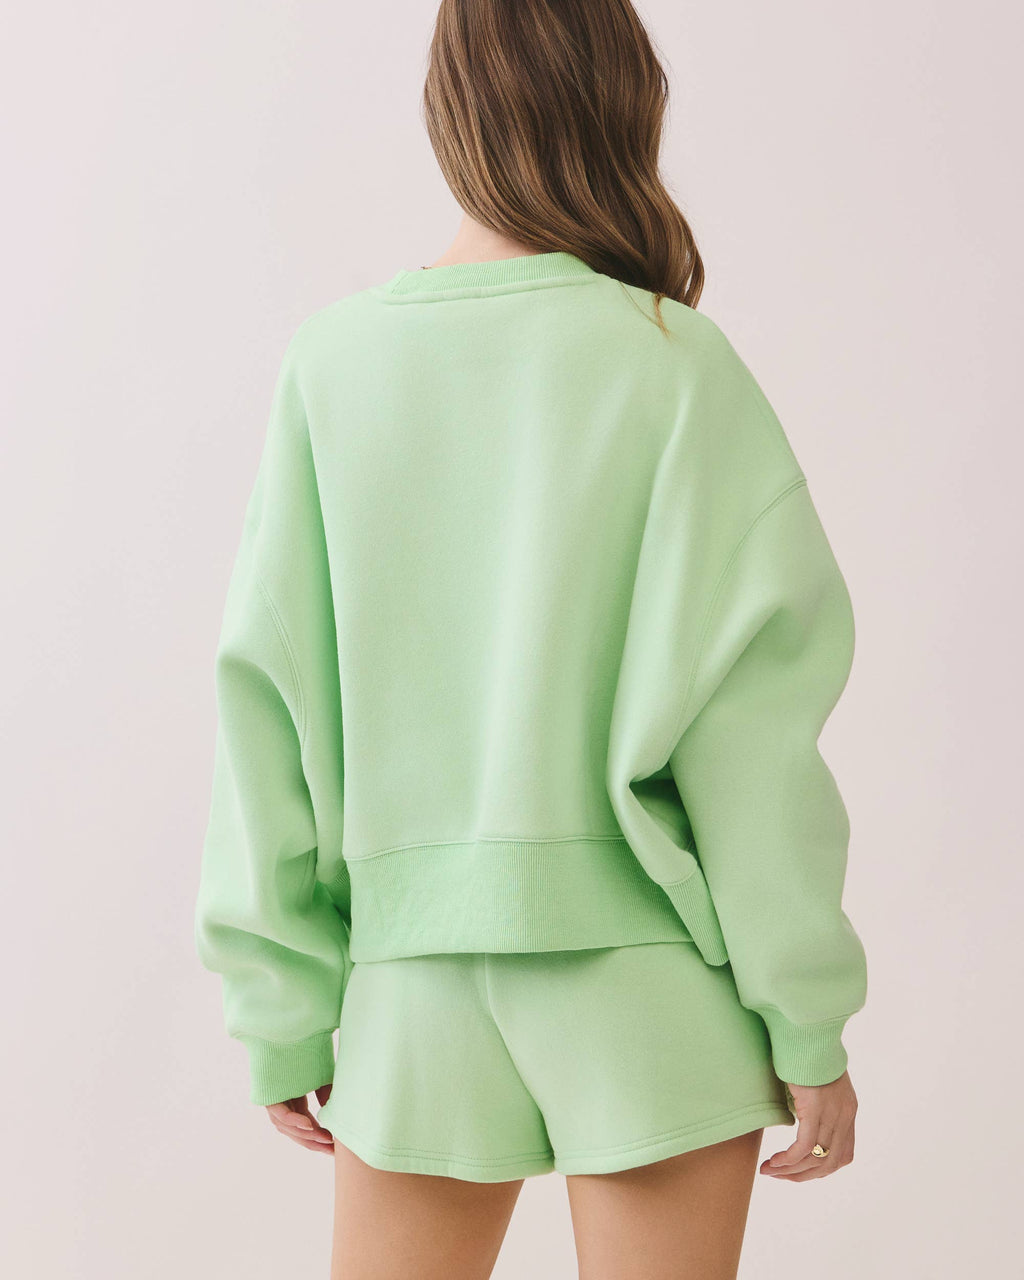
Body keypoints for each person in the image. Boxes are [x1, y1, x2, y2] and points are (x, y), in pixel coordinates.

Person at [193, 1, 868, 1276]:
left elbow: (268, 705)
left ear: (448, 111)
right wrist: (805, 1018)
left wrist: (281, 1006)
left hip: (412, 985)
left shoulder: (332, 367)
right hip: (648, 982)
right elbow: (750, 735)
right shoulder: (677, 365)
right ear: (623, 104)